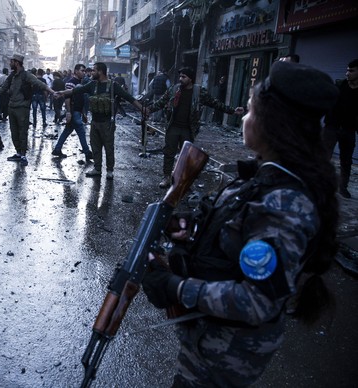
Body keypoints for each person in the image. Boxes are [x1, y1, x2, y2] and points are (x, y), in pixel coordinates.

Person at [141, 61, 339, 386]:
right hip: (211, 339)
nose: (244, 119)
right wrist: (189, 232)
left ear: (271, 124)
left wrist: (175, 287)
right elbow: (237, 241)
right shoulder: (264, 177)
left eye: (249, 111)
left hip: (227, 355)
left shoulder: (285, 201)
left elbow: (257, 301)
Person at [149, 67, 244, 188]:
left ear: (190, 79)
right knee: (169, 153)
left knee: (186, 156)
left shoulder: (199, 92)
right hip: (173, 126)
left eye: (184, 77)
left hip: (188, 129)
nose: (180, 79)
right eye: (180, 76)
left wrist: (232, 111)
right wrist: (148, 110)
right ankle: (167, 177)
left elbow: (214, 103)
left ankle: (180, 180)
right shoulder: (174, 89)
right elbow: (161, 102)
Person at [57, 62, 145, 180]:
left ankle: (109, 170)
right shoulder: (92, 85)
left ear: (100, 72)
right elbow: (75, 91)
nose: (91, 72)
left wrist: (143, 109)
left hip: (107, 122)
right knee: (95, 146)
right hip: (95, 122)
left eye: (94, 70)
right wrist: (61, 93)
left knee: (109, 147)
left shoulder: (113, 86)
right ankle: (97, 169)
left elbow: (129, 98)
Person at [0, 54, 55, 167]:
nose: (10, 63)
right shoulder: (12, 75)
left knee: (23, 132)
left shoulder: (26, 75)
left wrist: (53, 92)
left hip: (22, 108)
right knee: (14, 132)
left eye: (11, 61)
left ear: (16, 63)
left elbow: (40, 84)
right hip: (11, 107)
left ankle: (23, 155)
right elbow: (2, 88)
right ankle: (18, 152)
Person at [323, 58, 358, 198]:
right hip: (332, 127)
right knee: (324, 156)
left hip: (349, 129)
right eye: (347, 70)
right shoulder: (339, 85)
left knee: (346, 160)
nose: (347, 73)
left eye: (352, 71)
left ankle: (342, 186)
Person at [52, 64, 92, 161]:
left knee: (67, 131)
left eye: (84, 71)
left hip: (77, 111)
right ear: (76, 71)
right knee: (81, 132)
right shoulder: (71, 83)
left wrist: (83, 113)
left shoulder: (79, 82)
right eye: (82, 70)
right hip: (74, 112)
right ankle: (87, 153)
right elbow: (67, 99)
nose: (84, 73)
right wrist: (69, 112)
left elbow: (80, 99)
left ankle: (57, 149)